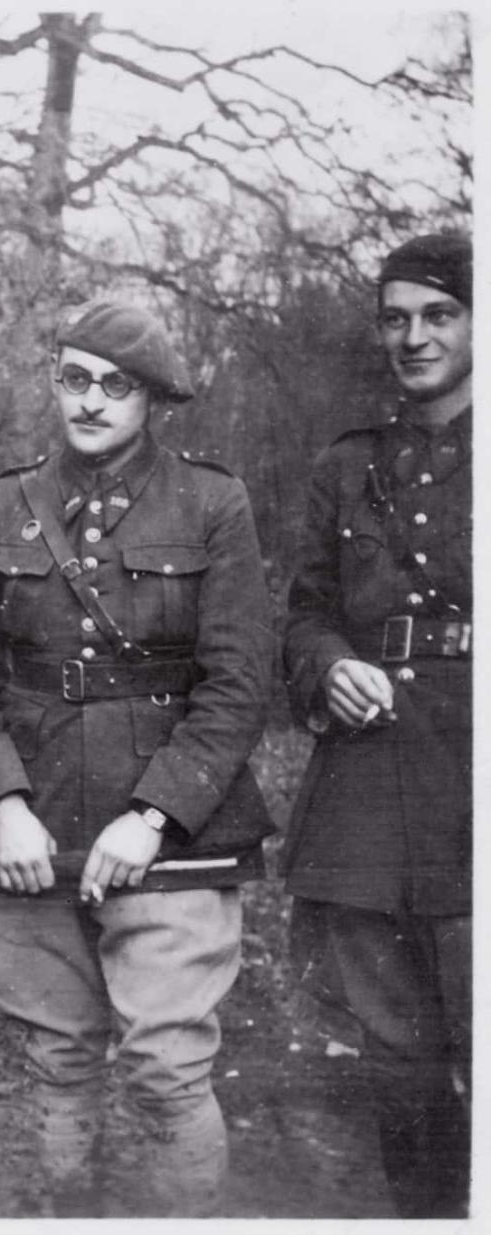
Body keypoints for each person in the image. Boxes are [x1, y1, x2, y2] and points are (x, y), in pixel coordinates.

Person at [0, 301, 275, 1216]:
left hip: (172, 830)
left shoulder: (211, 501)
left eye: (116, 385)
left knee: (165, 1067)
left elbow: (240, 681)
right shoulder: (2, 503)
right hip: (33, 818)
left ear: (153, 398)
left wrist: (157, 813)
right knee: (60, 1060)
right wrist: (3, 804)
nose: (90, 401)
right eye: (74, 377)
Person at [281, 233, 471, 1218]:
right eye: (396, 317)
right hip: (372, 779)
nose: (414, 335)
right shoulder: (348, 464)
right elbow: (305, 607)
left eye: (438, 314)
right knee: (396, 1053)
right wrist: (332, 663)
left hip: (472, 765)